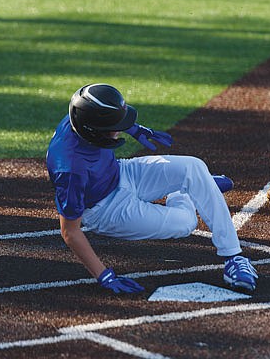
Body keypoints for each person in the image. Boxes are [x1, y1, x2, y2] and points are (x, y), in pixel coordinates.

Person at [46, 83, 259, 293]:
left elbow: (103, 118)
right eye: (115, 128)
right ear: (94, 131)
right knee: (187, 222)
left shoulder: (81, 115)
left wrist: (134, 128)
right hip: (106, 210)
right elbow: (70, 232)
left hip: (119, 172)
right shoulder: (70, 170)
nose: (120, 130)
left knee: (194, 167)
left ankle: (233, 257)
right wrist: (103, 275)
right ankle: (187, 192)